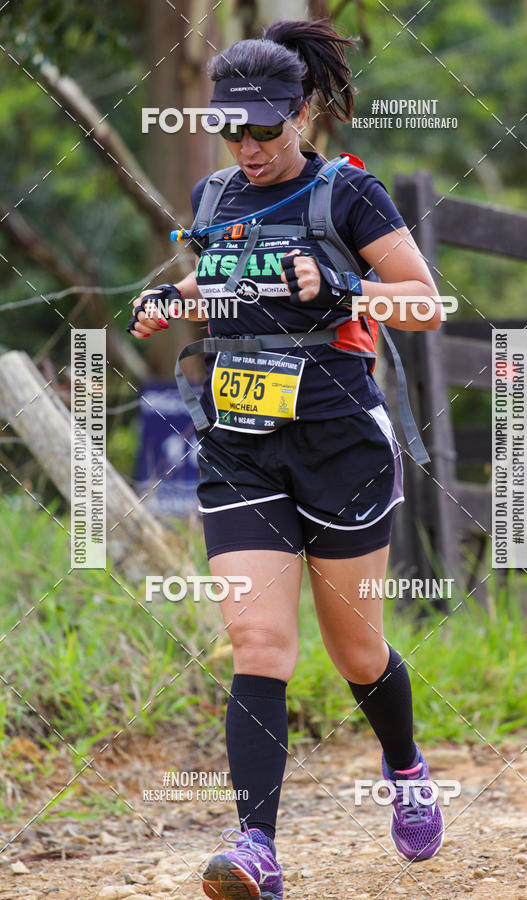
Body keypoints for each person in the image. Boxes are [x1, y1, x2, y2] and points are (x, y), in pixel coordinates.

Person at [130, 18, 444, 900]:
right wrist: (170, 301)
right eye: (232, 129)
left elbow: (424, 303)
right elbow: (222, 276)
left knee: (356, 652)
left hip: (340, 442)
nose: (248, 145)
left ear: (303, 112)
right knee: (258, 640)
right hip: (241, 444)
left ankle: (408, 768)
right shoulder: (217, 197)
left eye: (265, 129)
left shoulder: (351, 196)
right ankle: (256, 850)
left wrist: (345, 283)